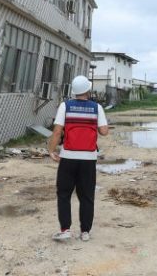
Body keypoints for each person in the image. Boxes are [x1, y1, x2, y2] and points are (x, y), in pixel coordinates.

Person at [48, 75, 109, 242]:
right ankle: (85, 232)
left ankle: (66, 229)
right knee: (87, 196)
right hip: (88, 159)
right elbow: (104, 131)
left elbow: (57, 131)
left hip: (68, 157)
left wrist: (52, 150)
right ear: (88, 90)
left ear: (74, 91)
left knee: (64, 194)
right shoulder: (97, 107)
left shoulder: (65, 106)